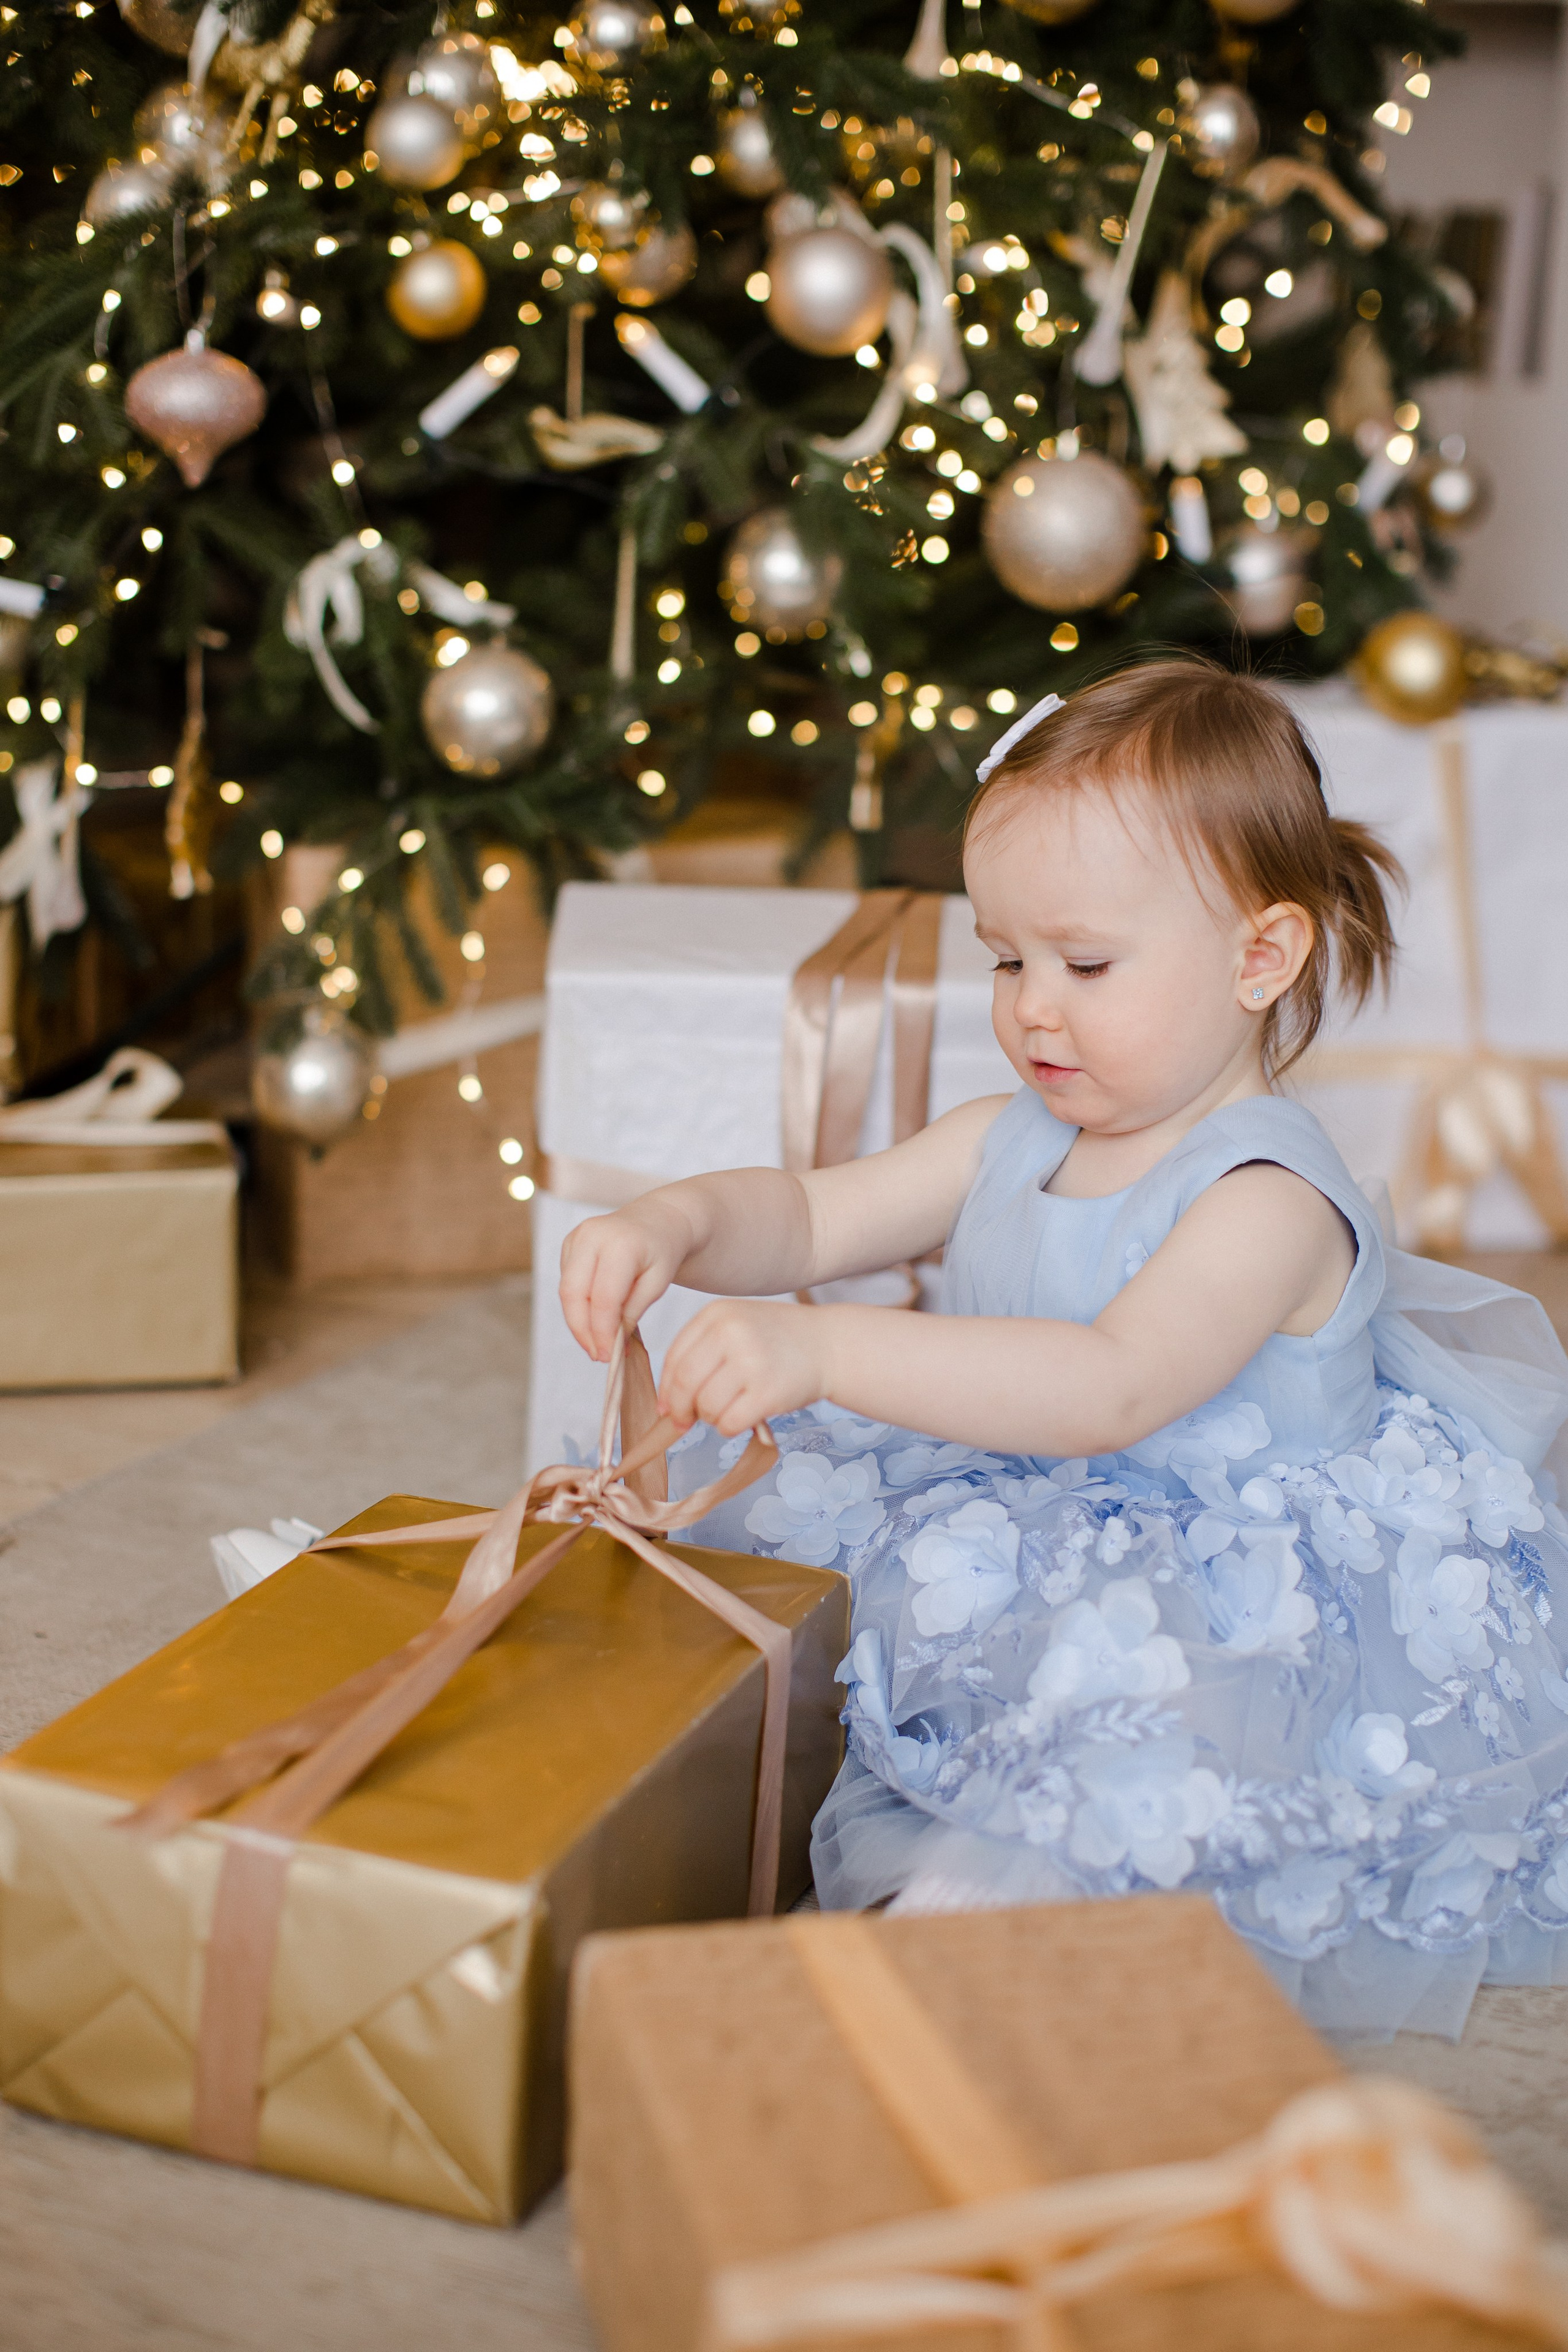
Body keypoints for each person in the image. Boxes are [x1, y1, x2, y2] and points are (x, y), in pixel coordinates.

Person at [559, 657, 1568, 2041]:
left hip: (1224, 1564)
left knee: (1124, 1712)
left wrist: (826, 1352)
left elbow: (1110, 1386)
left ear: (1256, 957)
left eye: (1084, 964)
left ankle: (996, 1890)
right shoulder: (1007, 1137)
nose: (1032, 1006)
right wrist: (669, 1222)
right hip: (1016, 1498)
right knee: (775, 1578)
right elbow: (805, 1215)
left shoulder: (1263, 1197)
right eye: (1004, 959)